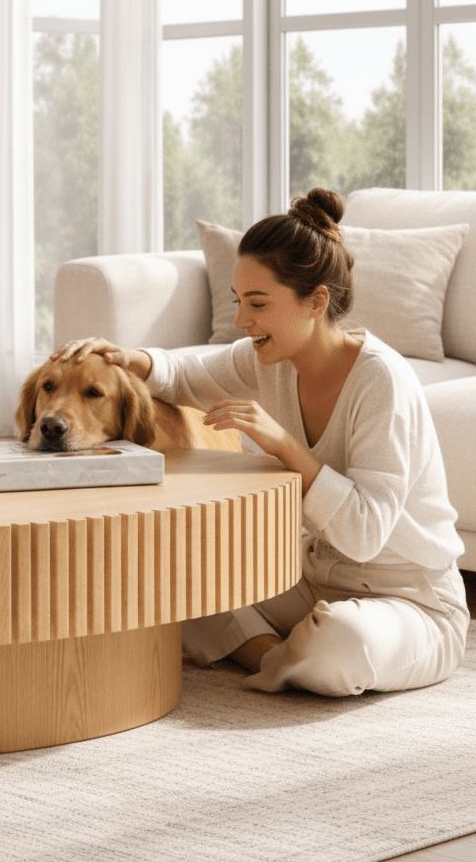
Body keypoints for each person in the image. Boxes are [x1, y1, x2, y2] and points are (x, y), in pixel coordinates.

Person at [52, 187, 469, 696]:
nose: (242, 321)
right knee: (161, 568)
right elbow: (185, 375)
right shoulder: (265, 359)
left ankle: (280, 648)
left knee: (343, 643)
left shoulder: (381, 381)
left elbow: (365, 536)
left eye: (257, 304)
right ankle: (275, 655)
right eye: (238, 302)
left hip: (410, 599)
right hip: (312, 578)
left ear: (315, 302)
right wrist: (129, 358)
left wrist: (285, 447)